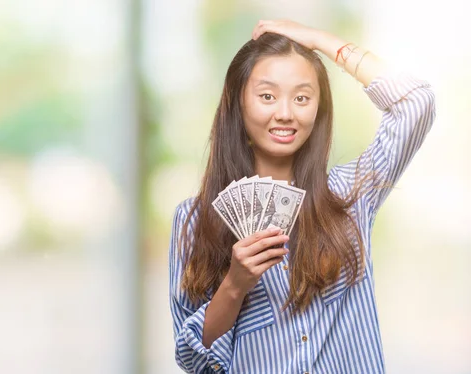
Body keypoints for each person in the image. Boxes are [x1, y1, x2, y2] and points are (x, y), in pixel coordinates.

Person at [169, 20, 435, 373]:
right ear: (238, 103)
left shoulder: (351, 195)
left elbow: (415, 102)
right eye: (267, 96)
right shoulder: (194, 220)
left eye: (302, 97)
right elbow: (192, 360)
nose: (285, 113)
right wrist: (235, 286)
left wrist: (319, 41)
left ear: (318, 108)